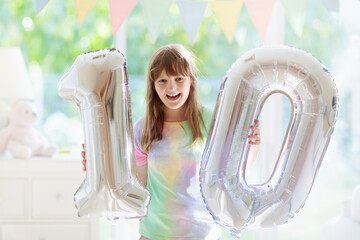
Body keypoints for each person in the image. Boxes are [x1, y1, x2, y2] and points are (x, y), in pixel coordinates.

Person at [82, 44, 260, 239]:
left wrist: (253, 147)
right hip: (154, 234)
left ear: (191, 80)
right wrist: (97, 166)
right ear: (154, 85)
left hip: (202, 234)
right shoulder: (143, 130)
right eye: (163, 80)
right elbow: (137, 186)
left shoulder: (211, 123)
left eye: (179, 78)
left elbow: (232, 176)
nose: (171, 87)